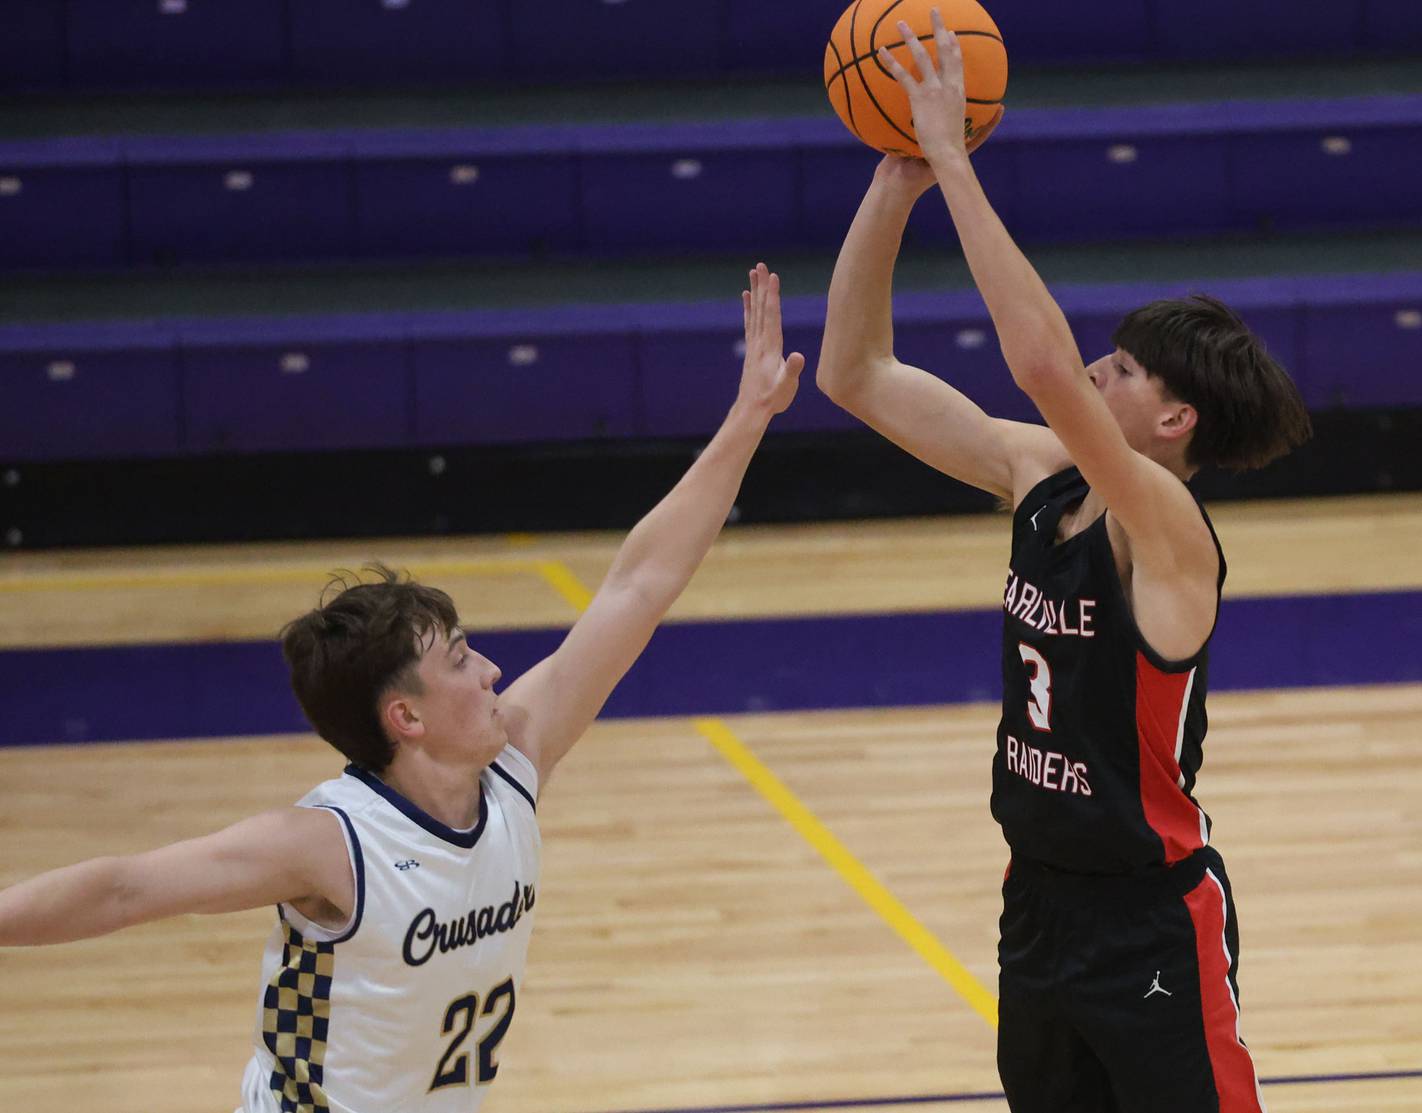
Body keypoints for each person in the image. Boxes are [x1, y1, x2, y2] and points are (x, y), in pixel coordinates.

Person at [0, 264, 806, 1113]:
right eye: (460, 658)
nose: (493, 670)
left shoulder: (516, 760)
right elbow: (124, 887)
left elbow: (639, 584)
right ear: (405, 715)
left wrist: (747, 418)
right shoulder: (329, 846)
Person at [816, 12, 1311, 1113]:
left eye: (1127, 369)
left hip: (1151, 922)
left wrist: (954, 155)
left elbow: (1038, 362)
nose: (1098, 366)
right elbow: (854, 371)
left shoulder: (1170, 530)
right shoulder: (1044, 476)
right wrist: (897, 181)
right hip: (1037, 904)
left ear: (1177, 419)